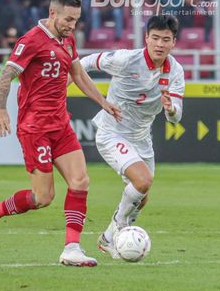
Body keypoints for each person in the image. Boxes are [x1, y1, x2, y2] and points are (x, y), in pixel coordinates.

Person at [0, 0, 121, 267]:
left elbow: (77, 74)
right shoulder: (30, 40)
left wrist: (103, 102)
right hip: (35, 128)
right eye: (68, 19)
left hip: (60, 125)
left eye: (76, 20)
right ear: (52, 13)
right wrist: (2, 109)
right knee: (43, 198)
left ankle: (72, 248)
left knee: (80, 181)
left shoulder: (68, 40)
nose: (72, 25)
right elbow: (7, 75)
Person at [79, 15, 185, 258]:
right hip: (112, 132)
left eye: (165, 40)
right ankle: (118, 232)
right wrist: (70, 82)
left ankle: (107, 237)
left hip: (141, 138)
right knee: (142, 181)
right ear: (146, 38)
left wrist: (170, 109)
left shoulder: (176, 71)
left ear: (173, 42)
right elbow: (86, 62)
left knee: (142, 196)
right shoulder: (126, 59)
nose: (160, 44)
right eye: (155, 38)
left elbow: (175, 117)